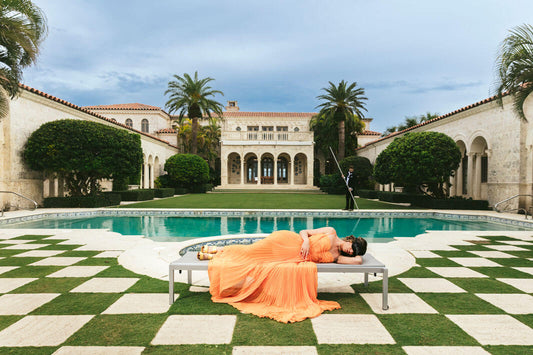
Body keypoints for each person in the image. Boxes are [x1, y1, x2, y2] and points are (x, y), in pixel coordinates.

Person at [207, 226, 367, 323]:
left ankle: (216, 253)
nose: (350, 250)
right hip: (289, 242)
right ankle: (218, 252)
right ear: (350, 239)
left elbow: (359, 261)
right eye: (352, 246)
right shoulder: (331, 232)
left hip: (293, 258)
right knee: (251, 251)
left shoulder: (338, 258)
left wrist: (357, 254)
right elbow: (304, 231)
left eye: (353, 252)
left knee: (257, 263)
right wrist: (305, 241)